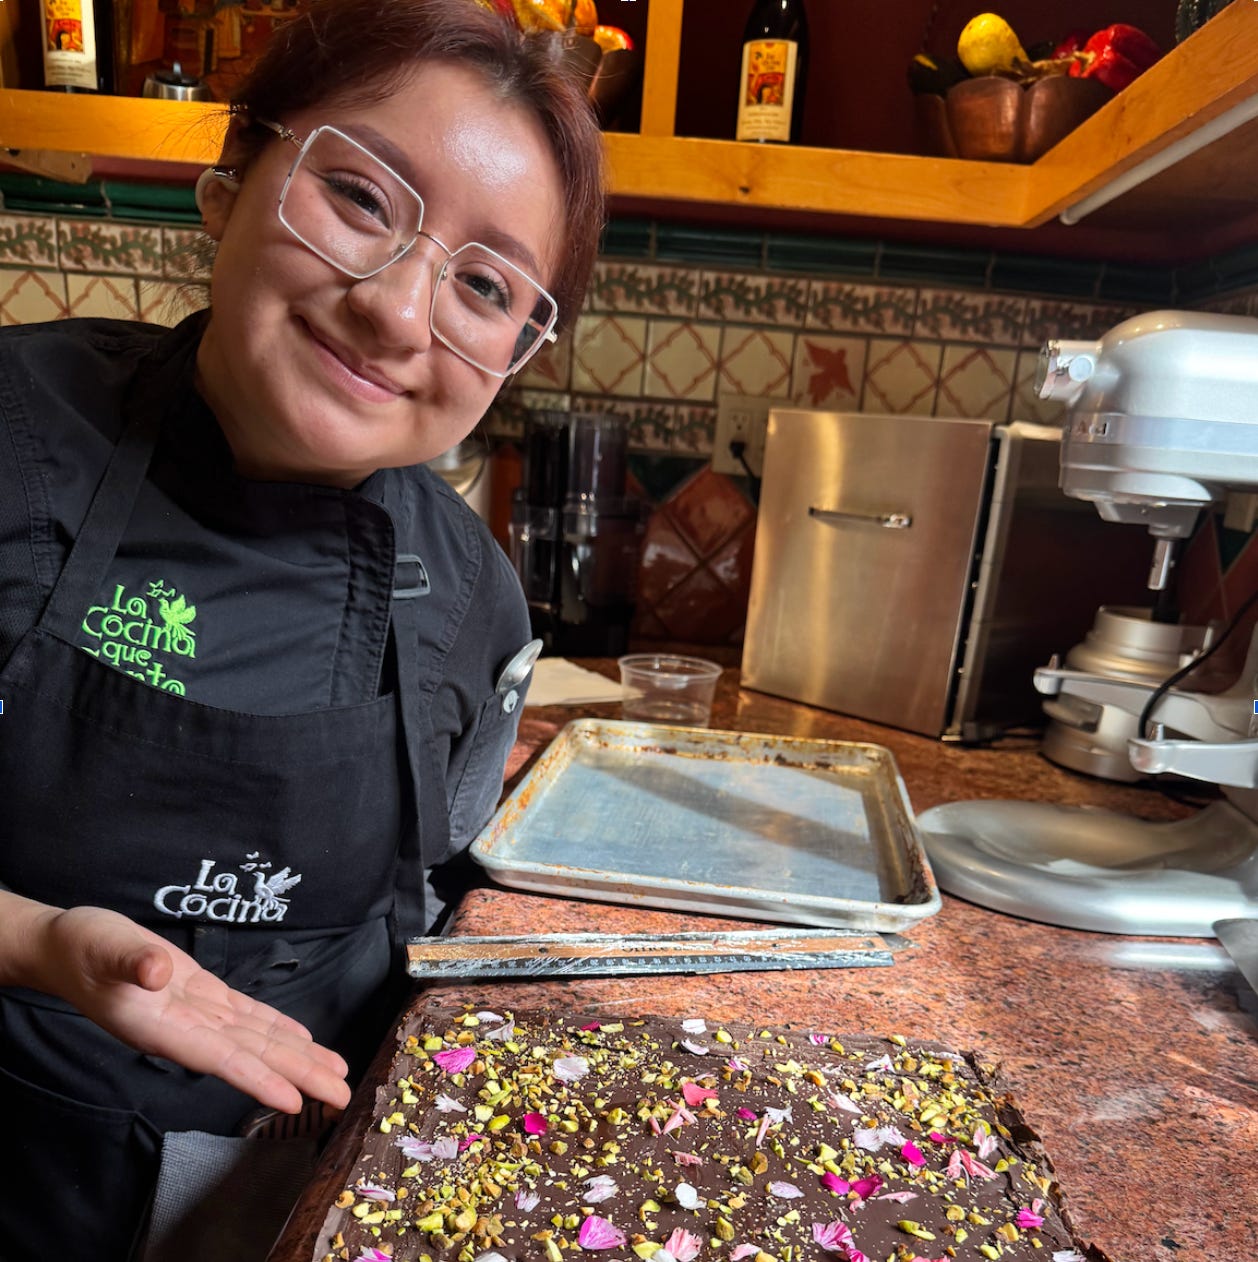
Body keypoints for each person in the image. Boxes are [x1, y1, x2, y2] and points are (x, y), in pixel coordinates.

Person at [0, 0, 604, 1255]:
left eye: (484, 286)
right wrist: (36, 942)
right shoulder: (14, 436)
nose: (397, 312)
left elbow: (430, 918)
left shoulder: (474, 597)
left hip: (269, 1211)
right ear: (231, 180)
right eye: (363, 199)